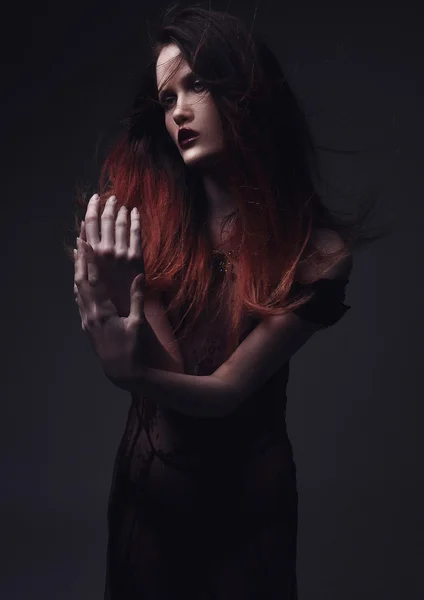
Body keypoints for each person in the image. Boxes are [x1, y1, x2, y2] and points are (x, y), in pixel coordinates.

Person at [70, 5, 388, 599]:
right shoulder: (143, 216)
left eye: (198, 85)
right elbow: (170, 376)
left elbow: (223, 393)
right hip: (151, 499)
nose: (180, 111)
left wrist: (129, 368)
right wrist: (128, 301)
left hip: (249, 509)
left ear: (246, 90)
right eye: (167, 99)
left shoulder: (315, 251)